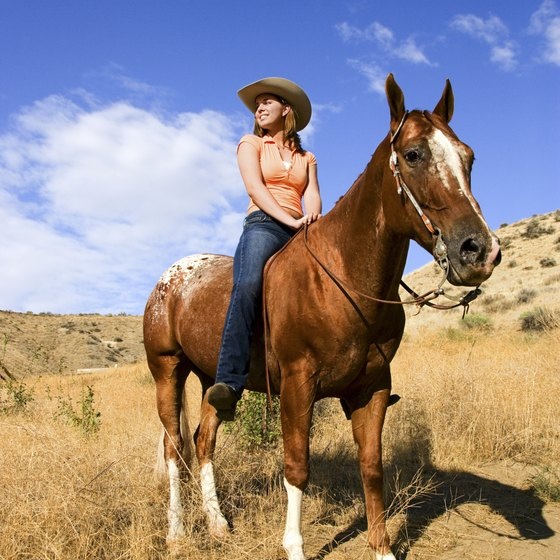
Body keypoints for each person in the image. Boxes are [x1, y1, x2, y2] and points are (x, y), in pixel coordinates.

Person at [207, 77, 322, 420]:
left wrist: (313, 215)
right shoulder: (251, 144)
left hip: (302, 228)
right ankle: (229, 382)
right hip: (265, 224)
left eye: (267, 102)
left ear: (286, 109)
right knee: (247, 286)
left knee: (331, 288)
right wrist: (289, 221)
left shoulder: (306, 156)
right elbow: (256, 189)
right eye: (257, 104)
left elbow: (312, 193)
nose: (259, 107)